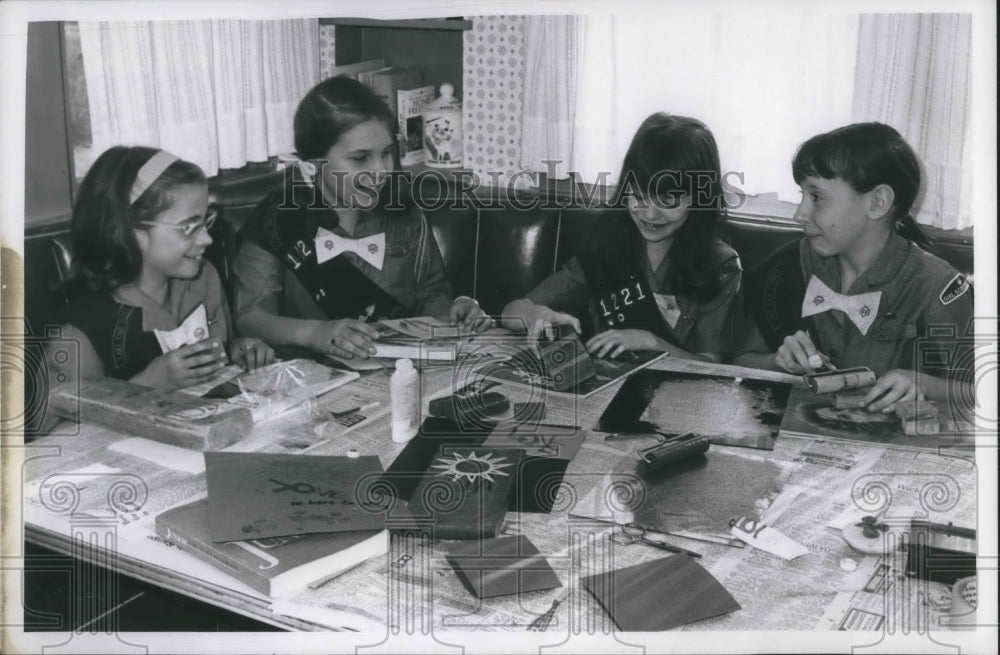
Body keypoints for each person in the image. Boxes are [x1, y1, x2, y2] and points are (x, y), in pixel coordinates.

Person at [232, 77, 487, 360]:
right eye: (361, 158)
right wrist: (314, 334)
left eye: (387, 154)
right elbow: (251, 316)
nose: (380, 171)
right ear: (313, 164)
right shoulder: (278, 219)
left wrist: (455, 313)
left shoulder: (404, 214)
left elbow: (431, 295)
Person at [735, 122, 973, 411]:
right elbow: (739, 362)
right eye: (802, 195)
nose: (800, 214)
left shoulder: (936, 286)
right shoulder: (784, 268)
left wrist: (923, 384)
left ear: (877, 202)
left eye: (817, 197)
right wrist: (779, 362)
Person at [502, 113, 745, 362]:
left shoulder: (720, 265)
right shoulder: (607, 244)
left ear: (700, 199)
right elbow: (512, 311)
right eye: (638, 196)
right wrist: (536, 314)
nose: (650, 214)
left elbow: (712, 368)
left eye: (668, 201)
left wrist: (651, 342)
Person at [47, 146, 273, 392]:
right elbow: (59, 426)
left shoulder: (203, 278)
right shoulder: (83, 325)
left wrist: (238, 351)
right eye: (189, 227)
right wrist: (147, 383)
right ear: (126, 231)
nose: (207, 239)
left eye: (206, 221)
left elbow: (218, 353)